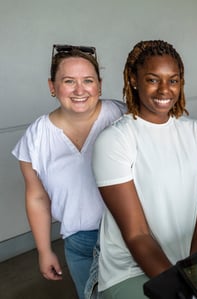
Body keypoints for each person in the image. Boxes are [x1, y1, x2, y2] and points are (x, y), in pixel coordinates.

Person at [91, 40, 197, 299]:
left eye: (173, 80)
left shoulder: (196, 131)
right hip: (131, 270)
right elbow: (137, 235)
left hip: (187, 259)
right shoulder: (115, 140)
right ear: (134, 80)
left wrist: (195, 268)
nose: (165, 90)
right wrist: (180, 287)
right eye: (153, 79)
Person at [11, 44, 126, 298]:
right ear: (52, 86)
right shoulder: (37, 136)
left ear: (100, 84)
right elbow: (37, 197)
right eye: (68, 81)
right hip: (80, 242)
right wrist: (44, 250)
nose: (80, 90)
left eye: (88, 80)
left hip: (129, 233)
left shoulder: (122, 115)